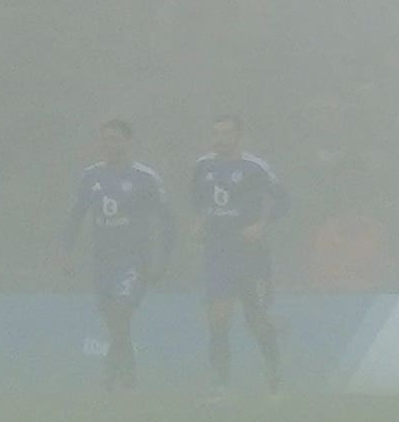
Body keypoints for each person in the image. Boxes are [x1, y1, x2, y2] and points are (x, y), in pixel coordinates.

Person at [69, 122, 176, 391]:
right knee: (114, 322)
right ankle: (128, 374)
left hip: (133, 260)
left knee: (121, 313)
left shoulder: (145, 177)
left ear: (128, 142)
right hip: (102, 260)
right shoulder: (91, 176)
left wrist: (162, 260)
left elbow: (166, 220)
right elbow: (75, 216)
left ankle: (111, 375)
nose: (109, 145)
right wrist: (66, 253)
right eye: (105, 140)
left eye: (115, 139)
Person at [187, 115, 289, 391]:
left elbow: (283, 200)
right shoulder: (202, 166)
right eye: (216, 133)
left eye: (225, 133)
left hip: (250, 255)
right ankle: (219, 384)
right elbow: (197, 201)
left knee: (255, 320)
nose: (219, 139)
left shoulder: (254, 167)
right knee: (217, 320)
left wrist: (262, 225)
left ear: (238, 137)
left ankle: (274, 373)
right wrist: (198, 223)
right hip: (217, 252)